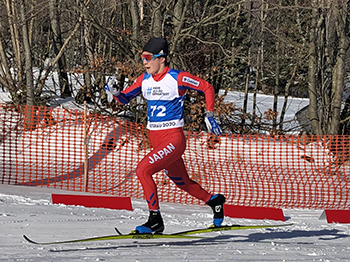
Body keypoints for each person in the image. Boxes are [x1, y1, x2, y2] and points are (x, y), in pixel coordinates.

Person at [104, 37, 225, 233]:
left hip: (173, 139)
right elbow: (125, 99)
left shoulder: (177, 77)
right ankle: (214, 201)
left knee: (143, 170)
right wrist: (116, 93)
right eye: (142, 57)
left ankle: (155, 220)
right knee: (182, 182)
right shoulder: (144, 79)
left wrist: (209, 115)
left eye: (148, 57)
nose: (144, 61)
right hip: (156, 139)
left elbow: (207, 87)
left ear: (162, 58)